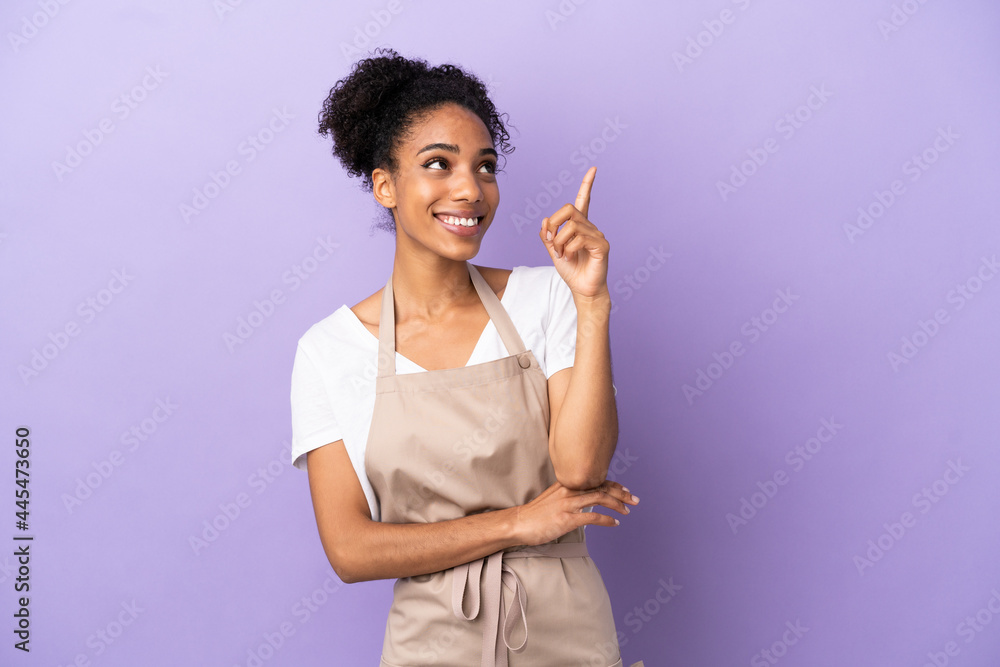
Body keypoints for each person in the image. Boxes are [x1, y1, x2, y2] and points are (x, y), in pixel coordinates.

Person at [290, 47, 641, 667]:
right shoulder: (330, 351)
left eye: (485, 167)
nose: (470, 189)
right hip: (430, 645)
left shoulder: (546, 297)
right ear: (384, 185)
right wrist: (516, 524)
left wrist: (591, 303)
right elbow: (350, 550)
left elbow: (582, 469)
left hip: (569, 637)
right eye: (438, 164)